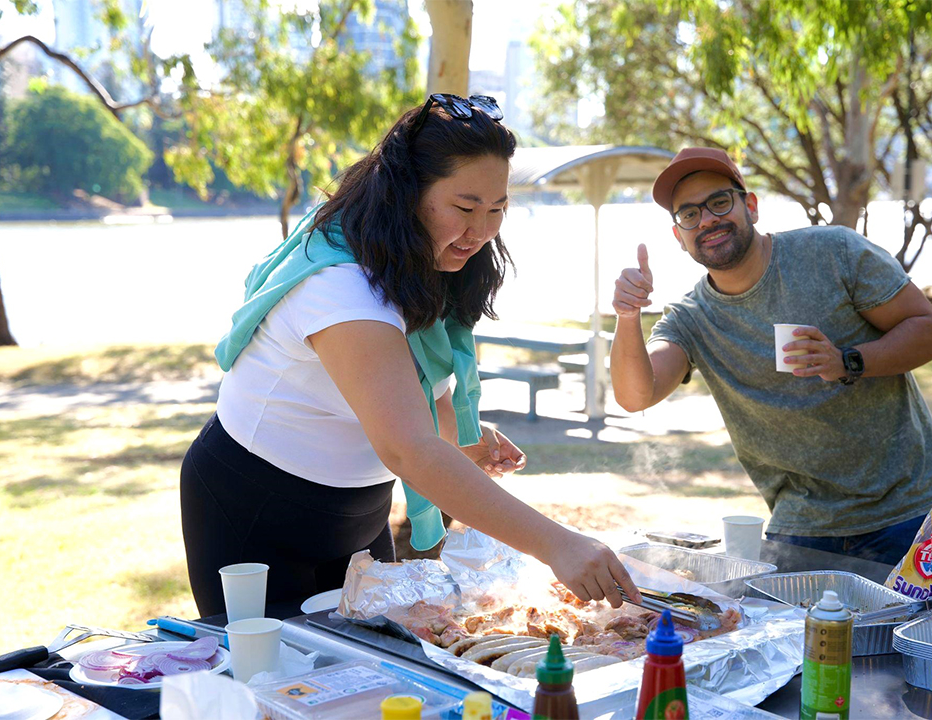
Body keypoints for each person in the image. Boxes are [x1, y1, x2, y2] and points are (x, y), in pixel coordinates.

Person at [180, 94, 640, 616]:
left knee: (372, 677)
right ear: (405, 192)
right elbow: (408, 449)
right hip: (255, 504)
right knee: (268, 681)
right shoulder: (340, 282)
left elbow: (419, 397)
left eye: (498, 209)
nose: (483, 231)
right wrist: (558, 544)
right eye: (466, 208)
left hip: (359, 509)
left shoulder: (419, 256)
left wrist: (464, 438)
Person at [610, 147, 932, 565]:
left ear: (751, 206)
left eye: (719, 202)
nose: (706, 220)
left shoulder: (834, 252)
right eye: (689, 215)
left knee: (927, 632)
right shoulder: (692, 319)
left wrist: (847, 361)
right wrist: (628, 316)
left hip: (911, 511)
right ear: (679, 236)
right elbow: (636, 394)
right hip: (802, 528)